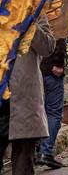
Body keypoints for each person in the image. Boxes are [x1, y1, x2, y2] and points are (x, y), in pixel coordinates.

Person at [0, 17, 55, 175]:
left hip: (23, 97)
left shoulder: (36, 12)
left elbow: (48, 48)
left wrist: (30, 23)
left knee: (23, 163)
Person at [37, 38, 67, 169]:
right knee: (53, 113)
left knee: (38, 111)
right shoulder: (53, 17)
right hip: (50, 69)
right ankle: (45, 152)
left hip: (35, 71)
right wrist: (59, 62)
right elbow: (60, 36)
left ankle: (37, 150)